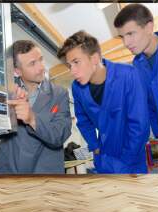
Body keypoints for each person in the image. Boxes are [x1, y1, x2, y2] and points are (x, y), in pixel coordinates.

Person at [57, 31, 149, 174]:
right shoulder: (77, 87)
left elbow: (140, 124)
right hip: (103, 158)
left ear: (94, 58)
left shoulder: (129, 75)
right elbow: (83, 120)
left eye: (76, 62)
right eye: (69, 65)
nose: (72, 71)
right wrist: (95, 146)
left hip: (131, 161)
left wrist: (126, 161)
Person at [0, 40, 72, 174]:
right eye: (32, 64)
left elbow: (60, 135)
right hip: (9, 172)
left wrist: (32, 119)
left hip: (44, 174)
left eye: (41, 59)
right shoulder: (7, 92)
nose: (41, 67)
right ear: (17, 71)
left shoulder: (60, 94)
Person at [114, 3, 158, 138]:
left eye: (130, 34)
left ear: (149, 27)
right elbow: (148, 104)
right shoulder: (137, 65)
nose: (126, 43)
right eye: (122, 37)